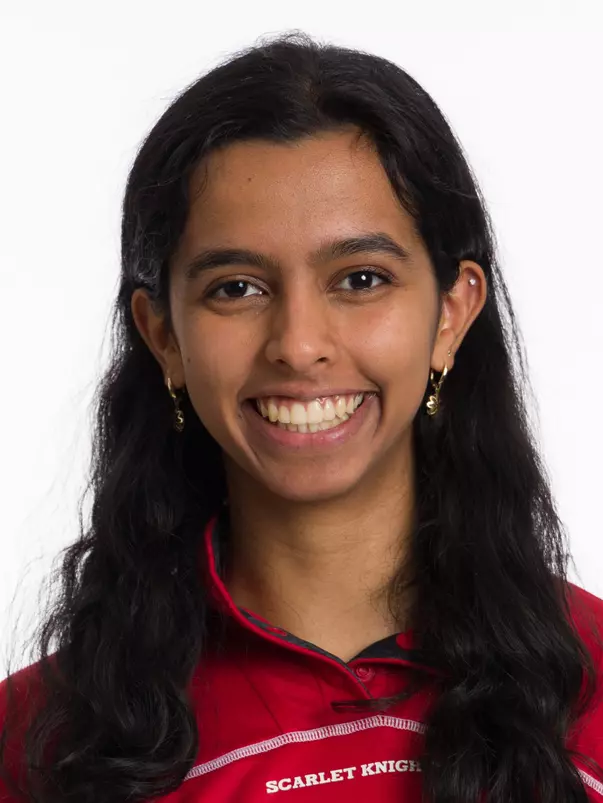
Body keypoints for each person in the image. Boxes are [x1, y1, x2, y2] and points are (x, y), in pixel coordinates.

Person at [1, 31, 603, 803]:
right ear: (163, 336)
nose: (298, 344)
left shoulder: (590, 687)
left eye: (359, 277)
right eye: (236, 288)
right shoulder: (35, 744)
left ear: (451, 314)